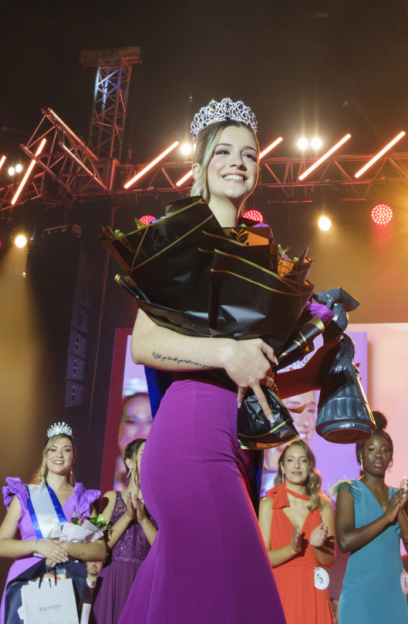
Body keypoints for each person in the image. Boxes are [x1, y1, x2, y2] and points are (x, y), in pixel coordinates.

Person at [117, 98, 331, 624]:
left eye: (250, 155)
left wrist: (320, 369)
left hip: (230, 446)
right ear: (198, 167)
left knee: (181, 605)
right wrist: (225, 352)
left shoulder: (256, 252)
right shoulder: (185, 238)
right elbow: (143, 342)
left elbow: (256, 374)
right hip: (190, 438)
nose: (239, 161)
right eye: (225, 151)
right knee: (246, 604)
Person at [0, 423, 106, 624]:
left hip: (66, 583)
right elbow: (0, 546)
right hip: (25, 581)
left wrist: (67, 549)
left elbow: (101, 550)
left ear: (74, 456)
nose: (59, 455)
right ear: (45, 455)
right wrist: (39, 545)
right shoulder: (24, 495)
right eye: (53, 449)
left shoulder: (85, 498)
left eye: (66, 449)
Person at [334, 413, 408, 623]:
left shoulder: (398, 496)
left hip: (393, 596)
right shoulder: (349, 490)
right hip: (359, 597)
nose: (378, 455)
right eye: (371, 449)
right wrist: (386, 517)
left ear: (391, 457)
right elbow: (345, 542)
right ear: (360, 454)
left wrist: (399, 509)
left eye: (384, 450)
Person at [259, 439, 336, 624]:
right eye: (291, 460)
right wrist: (292, 549)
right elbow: (262, 560)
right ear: (283, 467)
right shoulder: (268, 504)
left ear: (310, 467)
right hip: (282, 593)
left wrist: (317, 546)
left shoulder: (322, 504)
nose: (296, 466)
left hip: (314, 595)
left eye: (302, 460)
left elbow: (330, 560)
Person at [93, 439, 156, 624]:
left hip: (143, 581)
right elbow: (97, 547)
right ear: (129, 462)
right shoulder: (110, 498)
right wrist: (127, 517)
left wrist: (143, 519)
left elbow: (163, 549)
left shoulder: (159, 505)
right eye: (144, 454)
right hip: (111, 577)